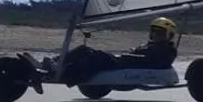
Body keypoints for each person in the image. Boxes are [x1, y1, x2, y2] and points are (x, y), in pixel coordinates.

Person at [43, 17, 180, 87]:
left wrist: (131, 56)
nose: (156, 34)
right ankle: (56, 63)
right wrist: (131, 54)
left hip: (132, 65)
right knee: (84, 50)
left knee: (98, 57)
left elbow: (154, 61)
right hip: (125, 61)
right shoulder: (149, 45)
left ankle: (66, 74)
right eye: (154, 31)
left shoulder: (168, 50)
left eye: (160, 32)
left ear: (169, 35)